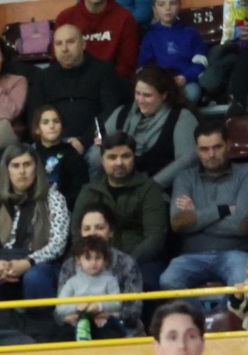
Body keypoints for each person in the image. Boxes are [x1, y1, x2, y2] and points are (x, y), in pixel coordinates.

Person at [0, 144, 71, 304]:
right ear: (7, 170)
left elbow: (58, 244)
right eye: (15, 165)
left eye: (27, 164)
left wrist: (27, 262)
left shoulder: (54, 199)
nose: (21, 171)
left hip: (39, 263)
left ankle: (41, 326)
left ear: (36, 168)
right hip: (0, 261)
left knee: (35, 277)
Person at [159, 121, 248, 295]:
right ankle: (196, 320)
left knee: (241, 282)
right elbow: (178, 223)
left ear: (228, 145)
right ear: (197, 149)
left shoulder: (246, 173)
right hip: (191, 255)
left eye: (217, 147)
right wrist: (222, 210)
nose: (211, 154)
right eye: (204, 149)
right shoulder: (184, 177)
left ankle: (226, 319)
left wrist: (196, 213)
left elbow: (243, 225)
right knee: (168, 280)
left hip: (235, 253)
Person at [72, 132, 170, 287]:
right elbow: (76, 232)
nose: (119, 162)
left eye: (126, 156)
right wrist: (93, 261)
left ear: (134, 158)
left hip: (140, 261)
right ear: (102, 160)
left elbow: (155, 238)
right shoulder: (90, 190)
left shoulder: (150, 189)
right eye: (112, 157)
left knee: (146, 282)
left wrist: (124, 263)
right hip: (93, 261)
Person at [95, 65, 197, 191]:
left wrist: (150, 187)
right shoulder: (122, 113)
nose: (140, 100)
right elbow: (100, 150)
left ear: (164, 95)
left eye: (147, 95)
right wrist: (102, 146)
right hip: (117, 187)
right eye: (138, 94)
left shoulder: (181, 117)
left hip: (160, 191)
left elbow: (187, 160)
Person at [27, 25, 120, 157]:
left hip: (93, 141)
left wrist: (84, 141)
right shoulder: (43, 77)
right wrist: (58, 141)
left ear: (83, 45)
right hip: (53, 141)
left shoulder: (103, 71)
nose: (64, 49)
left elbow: (110, 111)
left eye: (70, 42)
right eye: (59, 44)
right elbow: (35, 116)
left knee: (99, 157)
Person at [61, 205, 144, 332]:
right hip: (80, 329)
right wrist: (81, 313)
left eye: (99, 228)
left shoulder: (127, 263)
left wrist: (103, 312)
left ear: (111, 232)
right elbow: (60, 311)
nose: (92, 233)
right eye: (87, 229)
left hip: (122, 330)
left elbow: (133, 310)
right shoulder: (69, 265)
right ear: (81, 233)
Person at [55, 234, 127, 341]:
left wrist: (99, 306)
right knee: (61, 333)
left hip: (103, 320)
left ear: (105, 259)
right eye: (88, 258)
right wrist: (77, 307)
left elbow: (117, 303)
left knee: (114, 330)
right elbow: (59, 307)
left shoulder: (110, 280)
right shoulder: (72, 282)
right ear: (78, 260)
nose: (93, 262)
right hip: (78, 321)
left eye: (98, 258)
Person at [140, 0, 207, 105]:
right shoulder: (150, 36)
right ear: (154, 9)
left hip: (186, 83)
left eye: (173, 3)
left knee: (193, 93)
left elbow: (201, 61)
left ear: (180, 5)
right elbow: (145, 66)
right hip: (160, 85)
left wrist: (186, 77)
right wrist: (160, 81)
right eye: (162, 4)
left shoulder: (190, 32)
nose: (168, 8)